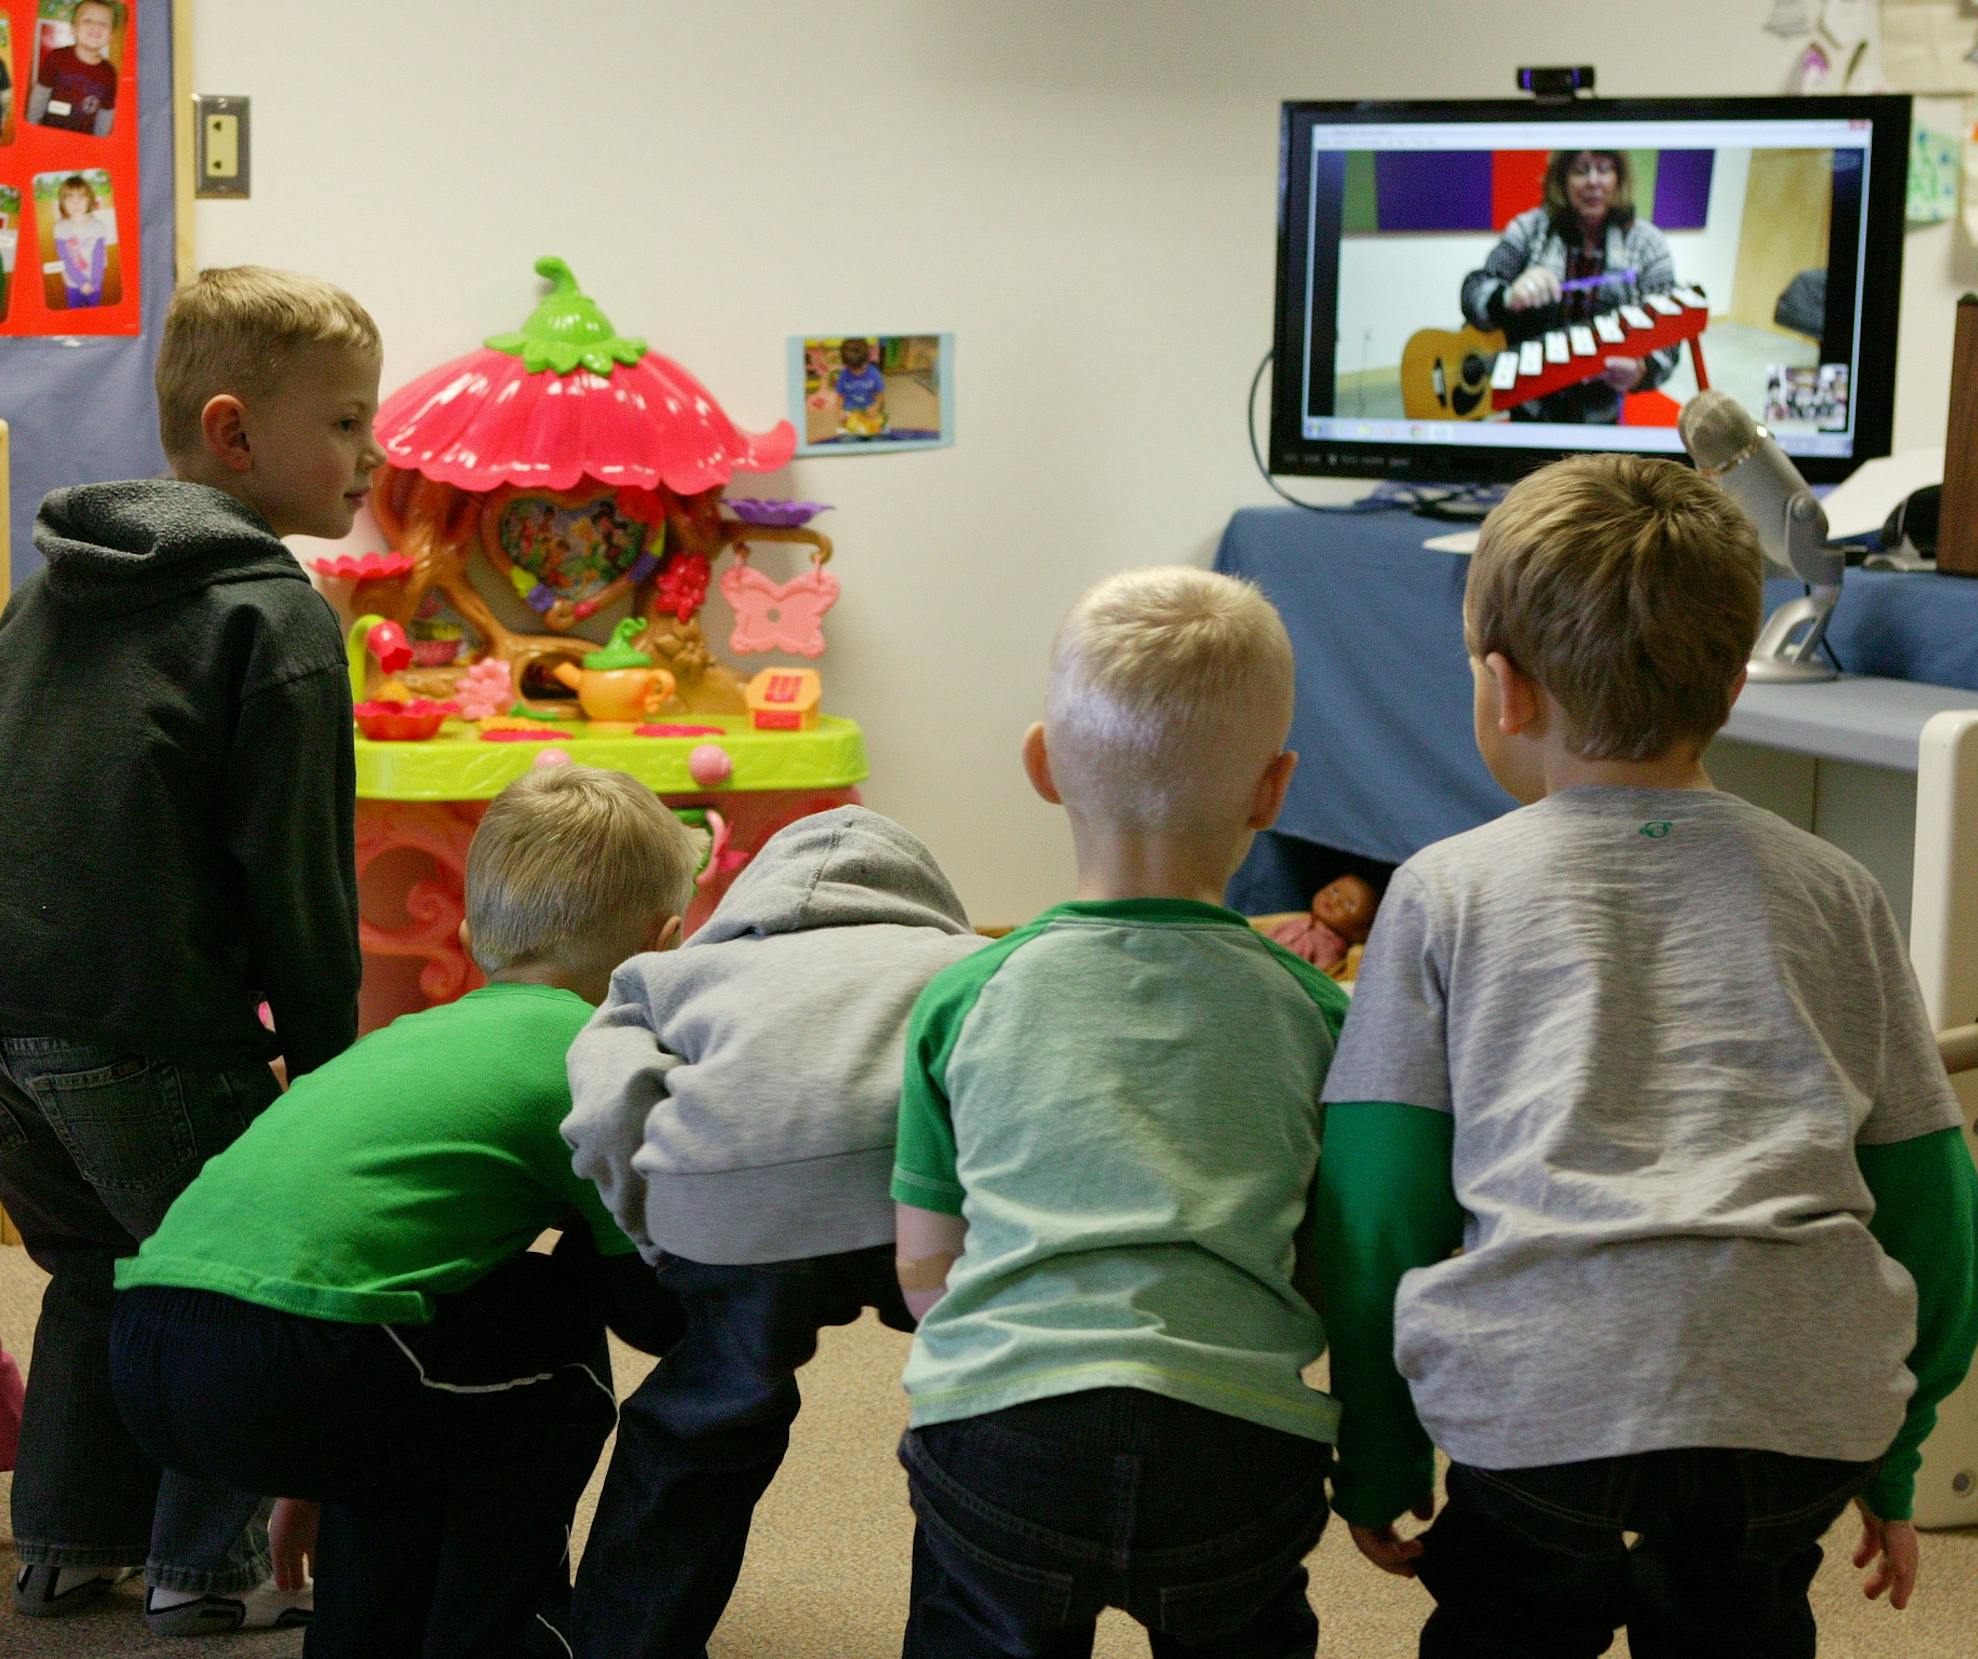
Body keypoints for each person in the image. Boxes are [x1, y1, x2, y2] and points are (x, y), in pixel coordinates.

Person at [1313, 454, 1978, 1659]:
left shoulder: (1443, 894)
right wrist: (1900, 1439)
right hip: (1796, 1407)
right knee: (1742, 1617)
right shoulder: (1836, 890)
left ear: (1503, 691)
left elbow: (1376, 1203)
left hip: (1542, 1410)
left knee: (1508, 1619)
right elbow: (1936, 1197)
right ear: (1734, 685)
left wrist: (1376, 1444)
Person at [109, 765, 695, 1659]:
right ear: (666, 944)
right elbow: (650, 1310)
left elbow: (325, 1253)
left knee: (455, 1372)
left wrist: (312, 1470)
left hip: (153, 1342)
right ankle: (501, 1639)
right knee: (559, 1362)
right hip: (304, 1360)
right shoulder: (591, 1061)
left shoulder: (399, 1041)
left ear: (470, 933)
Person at [0, 264, 380, 1634]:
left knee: (102, 1271)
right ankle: (204, 1570)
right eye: (344, 422)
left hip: (12, 1037)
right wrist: (331, 1075)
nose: (371, 452)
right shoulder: (272, 615)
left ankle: (61, 1542)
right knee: (228, 1278)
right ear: (233, 434)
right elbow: (295, 879)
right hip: (146, 1025)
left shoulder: (47, 595)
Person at [893, 566, 1349, 1659]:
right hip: (1234, 1448)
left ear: (1043, 766)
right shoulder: (1321, 1012)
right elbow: (1331, 1258)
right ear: (1273, 790)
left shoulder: (963, 996)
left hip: (1004, 1440)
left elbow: (923, 1270)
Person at [562, 804, 988, 1658]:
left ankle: (624, 1643)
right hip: (925, 1194)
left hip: (739, 1190)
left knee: (705, 1420)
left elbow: (605, 1100)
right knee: (978, 1417)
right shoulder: (975, 964)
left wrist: (661, 1230)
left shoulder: (676, 971)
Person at [1460, 149, 1678, 424]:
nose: (1593, 181)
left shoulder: (1648, 244)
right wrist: (1506, 296)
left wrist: (1642, 370)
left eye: (1603, 169)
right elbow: (1474, 289)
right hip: (1527, 410)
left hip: (1601, 418)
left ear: (1619, 179)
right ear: (1562, 180)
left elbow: (1669, 342)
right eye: (1581, 170)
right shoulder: (1530, 229)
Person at [29, 0, 119, 137]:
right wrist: (31, 125)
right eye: (88, 20)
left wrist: (100, 144)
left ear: (111, 36)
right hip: (49, 135)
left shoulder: (109, 73)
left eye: (103, 23)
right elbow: (41, 93)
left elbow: (106, 113)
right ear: (73, 29)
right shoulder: (57, 57)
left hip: (84, 143)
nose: (95, 26)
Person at [52, 173, 106, 308]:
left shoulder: (98, 226)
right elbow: (65, 259)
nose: (75, 203)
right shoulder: (60, 227)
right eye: (70, 199)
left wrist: (95, 282)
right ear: (62, 203)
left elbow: (98, 256)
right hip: (73, 284)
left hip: (95, 283)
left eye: (81, 197)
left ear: (89, 200)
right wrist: (82, 282)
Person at [832, 336, 886, 437]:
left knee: (877, 434)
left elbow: (880, 394)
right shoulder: (843, 374)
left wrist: (876, 406)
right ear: (846, 365)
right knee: (847, 438)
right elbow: (840, 396)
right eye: (853, 369)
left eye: (862, 368)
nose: (858, 373)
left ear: (868, 359)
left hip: (869, 407)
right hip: (850, 409)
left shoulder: (874, 373)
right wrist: (839, 410)